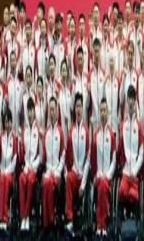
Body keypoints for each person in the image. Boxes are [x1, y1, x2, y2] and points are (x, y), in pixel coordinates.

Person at [65, 92, 90, 235]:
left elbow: (88, 160)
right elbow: (68, 157)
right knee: (68, 178)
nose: (79, 109)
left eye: (80, 106)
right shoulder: (71, 132)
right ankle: (69, 219)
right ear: (74, 109)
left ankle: (84, 219)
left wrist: (83, 184)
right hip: (74, 174)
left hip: (83, 177)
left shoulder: (86, 131)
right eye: (77, 107)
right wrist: (68, 171)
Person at [91, 98, 116, 238]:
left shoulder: (111, 135)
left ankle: (101, 224)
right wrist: (95, 175)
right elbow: (92, 158)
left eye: (105, 110)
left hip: (107, 177)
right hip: (98, 176)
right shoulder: (95, 135)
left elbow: (114, 159)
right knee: (100, 184)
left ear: (108, 112)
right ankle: (101, 224)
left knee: (103, 184)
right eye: (101, 110)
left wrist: (108, 174)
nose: (102, 113)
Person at [118, 85, 144, 212]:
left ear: (135, 101)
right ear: (127, 101)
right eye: (129, 98)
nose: (131, 101)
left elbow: (141, 152)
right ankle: (125, 211)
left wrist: (135, 170)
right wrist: (123, 167)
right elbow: (119, 150)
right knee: (121, 192)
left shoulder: (139, 125)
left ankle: (132, 211)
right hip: (125, 171)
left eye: (133, 98)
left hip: (134, 172)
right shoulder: (123, 125)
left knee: (133, 195)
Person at [42, 96, 65, 232]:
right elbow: (44, 156)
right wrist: (46, 170)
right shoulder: (46, 133)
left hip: (56, 171)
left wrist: (57, 171)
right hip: (48, 170)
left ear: (57, 111)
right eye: (50, 110)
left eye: (53, 110)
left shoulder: (60, 132)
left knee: (48, 184)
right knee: (45, 183)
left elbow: (63, 155)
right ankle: (47, 221)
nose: (52, 112)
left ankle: (49, 221)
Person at [19, 97, 42, 232]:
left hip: (34, 167)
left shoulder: (38, 130)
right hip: (26, 166)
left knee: (30, 180)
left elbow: (40, 154)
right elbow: (23, 152)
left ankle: (26, 215)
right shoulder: (25, 130)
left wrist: (33, 165)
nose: (30, 113)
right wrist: (26, 166)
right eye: (28, 111)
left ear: (35, 112)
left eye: (31, 110)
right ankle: (23, 217)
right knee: (22, 179)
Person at [0, 107, 18, 232]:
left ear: (11, 122)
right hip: (2, 171)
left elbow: (15, 159)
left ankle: (4, 217)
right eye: (6, 122)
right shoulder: (1, 137)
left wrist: (7, 171)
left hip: (10, 173)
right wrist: (0, 170)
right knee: (1, 180)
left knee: (4, 179)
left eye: (9, 121)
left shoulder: (14, 138)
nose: (8, 124)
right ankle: (1, 217)